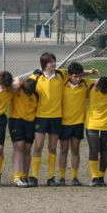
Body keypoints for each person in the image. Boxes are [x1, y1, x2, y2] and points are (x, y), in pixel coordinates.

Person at [29, 53, 67, 187]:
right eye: (51, 62)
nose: (54, 64)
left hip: (56, 117)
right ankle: (33, 176)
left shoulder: (61, 75)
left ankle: (51, 177)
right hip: (41, 117)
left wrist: (90, 71)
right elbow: (23, 83)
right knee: (38, 146)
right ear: (45, 64)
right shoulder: (36, 77)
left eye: (54, 61)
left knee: (52, 147)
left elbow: (77, 73)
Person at [58, 62, 90, 186]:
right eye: (75, 76)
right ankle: (61, 177)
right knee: (64, 150)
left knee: (75, 150)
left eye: (80, 76)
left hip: (78, 123)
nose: (78, 79)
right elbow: (62, 71)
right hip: (64, 123)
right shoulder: (63, 82)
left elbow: (99, 81)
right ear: (69, 76)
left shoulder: (85, 84)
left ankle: (75, 177)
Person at [86, 76, 107, 186]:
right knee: (95, 149)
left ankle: (100, 177)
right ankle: (95, 177)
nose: (104, 92)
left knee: (102, 150)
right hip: (93, 124)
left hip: (105, 125)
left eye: (106, 90)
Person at [9, 77, 38, 187]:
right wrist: (17, 81)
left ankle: (25, 176)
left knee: (27, 149)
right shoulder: (16, 90)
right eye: (26, 91)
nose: (28, 94)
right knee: (19, 147)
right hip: (16, 121)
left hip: (30, 122)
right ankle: (17, 177)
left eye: (30, 92)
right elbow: (9, 85)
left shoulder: (36, 95)